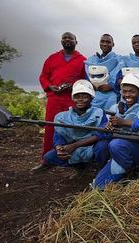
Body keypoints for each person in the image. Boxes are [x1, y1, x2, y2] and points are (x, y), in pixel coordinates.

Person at [32, 32, 87, 173]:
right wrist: (50, 86)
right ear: (61, 41)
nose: (67, 40)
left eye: (71, 38)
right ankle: (46, 160)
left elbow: (85, 79)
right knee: (51, 127)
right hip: (54, 99)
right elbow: (43, 76)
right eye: (65, 38)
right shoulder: (52, 58)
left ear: (76, 41)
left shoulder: (82, 60)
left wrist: (74, 84)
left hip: (73, 99)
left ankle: (74, 162)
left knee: (72, 129)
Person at [93, 72, 139, 189]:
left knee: (116, 144)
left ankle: (132, 170)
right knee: (98, 185)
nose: (128, 95)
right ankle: (118, 169)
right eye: (125, 91)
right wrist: (106, 128)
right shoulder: (114, 108)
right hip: (117, 150)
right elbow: (100, 132)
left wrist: (125, 122)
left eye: (132, 91)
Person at [42, 80, 110, 178]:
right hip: (71, 148)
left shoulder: (99, 113)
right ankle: (79, 168)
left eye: (85, 97)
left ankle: (100, 171)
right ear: (73, 98)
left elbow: (101, 134)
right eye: (77, 96)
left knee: (103, 147)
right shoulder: (62, 117)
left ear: (91, 98)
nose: (80, 100)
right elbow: (58, 135)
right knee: (49, 157)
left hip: (91, 146)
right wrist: (59, 148)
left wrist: (74, 146)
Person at [85, 34, 121, 110]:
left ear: (113, 44)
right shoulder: (91, 60)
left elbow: (122, 79)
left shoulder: (119, 61)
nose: (105, 44)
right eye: (102, 41)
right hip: (94, 96)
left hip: (112, 97)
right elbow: (86, 78)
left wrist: (111, 86)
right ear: (99, 43)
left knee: (109, 118)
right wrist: (91, 85)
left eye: (108, 42)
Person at [116, 34, 139, 98]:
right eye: (134, 43)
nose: (136, 44)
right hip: (128, 95)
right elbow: (119, 79)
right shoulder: (125, 61)